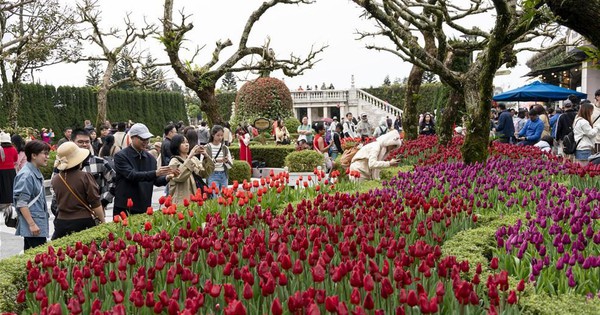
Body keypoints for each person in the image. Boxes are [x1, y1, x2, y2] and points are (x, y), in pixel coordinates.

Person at [113, 123, 179, 215]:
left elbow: (155, 180)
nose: (146, 142)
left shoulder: (150, 158)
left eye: (147, 139)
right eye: (142, 139)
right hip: (124, 207)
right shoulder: (121, 156)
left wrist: (167, 177)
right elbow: (132, 175)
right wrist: (156, 173)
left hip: (144, 206)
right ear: (132, 137)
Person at [51, 128, 116, 214]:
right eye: (80, 142)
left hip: (95, 212)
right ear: (72, 142)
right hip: (69, 213)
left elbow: (114, 181)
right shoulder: (63, 164)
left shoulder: (100, 162)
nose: (84, 144)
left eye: (87, 142)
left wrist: (103, 202)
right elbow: (53, 186)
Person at [51, 142, 105, 240]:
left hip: (61, 222)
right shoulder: (85, 177)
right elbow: (95, 203)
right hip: (83, 221)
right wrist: (103, 222)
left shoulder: (55, 179)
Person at [13, 140, 51, 250]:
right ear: (34, 155)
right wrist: (32, 224)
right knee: (39, 259)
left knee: (32, 258)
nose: (47, 157)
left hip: (36, 223)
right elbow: (21, 203)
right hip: (34, 225)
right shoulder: (27, 175)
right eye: (45, 153)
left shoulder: (34, 171)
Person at [168, 134, 213, 204]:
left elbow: (204, 173)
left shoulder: (194, 159)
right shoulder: (174, 161)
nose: (186, 145)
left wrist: (206, 156)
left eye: (187, 142)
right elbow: (179, 176)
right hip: (182, 200)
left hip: (196, 196)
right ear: (176, 145)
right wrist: (190, 156)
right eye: (183, 143)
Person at [206, 125, 233, 193]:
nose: (220, 137)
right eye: (218, 135)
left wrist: (226, 161)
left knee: (225, 197)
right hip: (212, 175)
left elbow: (230, 166)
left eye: (221, 135)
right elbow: (203, 163)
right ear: (213, 135)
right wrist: (216, 161)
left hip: (224, 175)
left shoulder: (225, 148)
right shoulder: (207, 147)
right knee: (215, 197)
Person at [0, 132, 18, 213]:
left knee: (2, 187)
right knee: (11, 186)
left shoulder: (0, 149)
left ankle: (2, 201)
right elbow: (15, 159)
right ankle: (11, 201)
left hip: (1, 171)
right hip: (11, 171)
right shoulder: (13, 149)